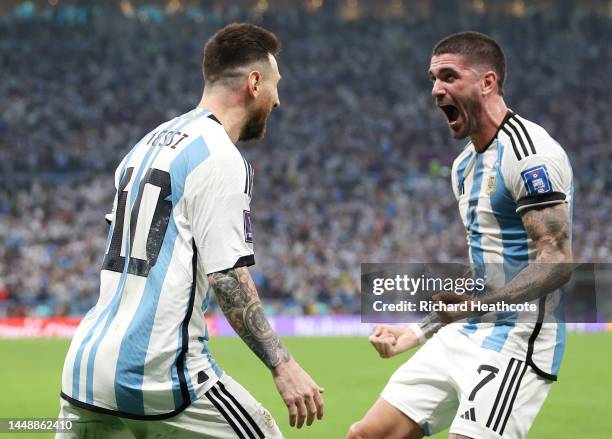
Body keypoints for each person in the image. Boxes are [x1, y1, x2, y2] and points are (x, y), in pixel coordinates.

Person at [57, 23, 324, 439]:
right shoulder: (219, 156)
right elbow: (227, 276)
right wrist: (283, 365)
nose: (278, 99)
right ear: (254, 82)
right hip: (155, 374)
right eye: (275, 85)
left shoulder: (144, 146)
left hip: (85, 370)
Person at [348, 31, 573, 439]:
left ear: (487, 82)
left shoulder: (529, 155)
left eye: (449, 77)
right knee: (367, 435)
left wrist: (479, 303)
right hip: (467, 330)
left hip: (517, 339)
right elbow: (482, 274)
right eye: (433, 79)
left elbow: (557, 262)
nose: (436, 90)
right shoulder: (463, 166)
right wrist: (417, 332)